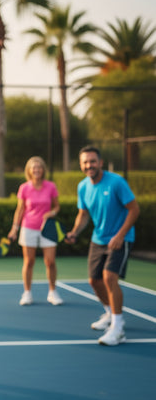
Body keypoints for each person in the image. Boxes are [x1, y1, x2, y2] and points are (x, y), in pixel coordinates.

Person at [66, 146, 139, 346]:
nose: (89, 165)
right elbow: (83, 215)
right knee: (94, 281)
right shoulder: (83, 187)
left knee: (109, 278)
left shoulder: (116, 182)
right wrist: (74, 232)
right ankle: (109, 312)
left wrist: (120, 235)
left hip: (120, 239)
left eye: (92, 161)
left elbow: (134, 209)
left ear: (100, 162)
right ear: (81, 165)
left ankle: (118, 327)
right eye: (85, 162)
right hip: (98, 239)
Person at [8, 156, 63, 306]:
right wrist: (14, 228)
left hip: (48, 228)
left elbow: (56, 207)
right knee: (29, 261)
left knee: (50, 261)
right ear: (29, 171)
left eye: (39, 167)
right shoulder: (24, 188)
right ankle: (27, 293)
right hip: (28, 227)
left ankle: (53, 292)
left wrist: (52, 213)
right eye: (34, 167)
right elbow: (20, 209)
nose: (37, 170)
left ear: (43, 169)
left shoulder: (51, 186)